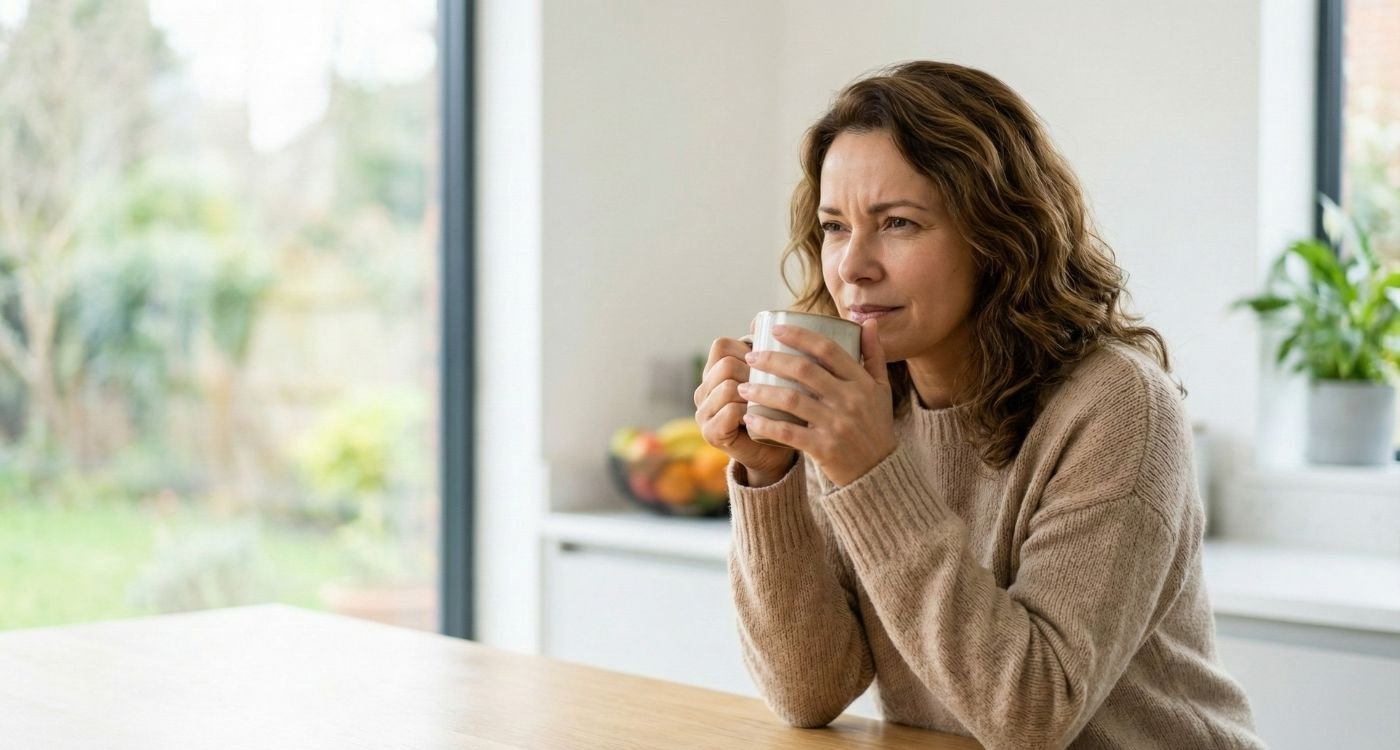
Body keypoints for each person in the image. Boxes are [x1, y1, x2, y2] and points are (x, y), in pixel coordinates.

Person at [693, 61, 1264, 749]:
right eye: (836, 227)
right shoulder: (868, 398)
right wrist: (769, 477)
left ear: (998, 237)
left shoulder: (1119, 406)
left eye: (898, 223)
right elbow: (810, 689)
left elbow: (1031, 713)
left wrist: (871, 472)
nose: (851, 266)